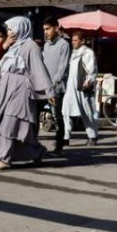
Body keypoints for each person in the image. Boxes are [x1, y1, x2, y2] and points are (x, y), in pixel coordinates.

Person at [0, 16, 54, 170]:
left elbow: (39, 68)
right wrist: (3, 47)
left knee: (9, 125)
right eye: (9, 30)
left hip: (21, 90)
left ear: (21, 29)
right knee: (16, 127)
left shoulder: (30, 46)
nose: (10, 33)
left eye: (12, 29)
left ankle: (5, 159)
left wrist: (49, 91)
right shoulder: (11, 46)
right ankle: (36, 152)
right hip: (8, 91)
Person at [61, 30, 99, 146]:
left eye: (75, 40)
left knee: (86, 113)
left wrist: (88, 82)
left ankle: (92, 136)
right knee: (66, 111)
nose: (73, 42)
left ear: (82, 41)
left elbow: (92, 70)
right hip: (70, 87)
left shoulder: (88, 53)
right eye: (72, 40)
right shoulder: (72, 53)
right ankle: (66, 137)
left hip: (81, 87)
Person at [42, 16, 71, 154]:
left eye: (48, 29)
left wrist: (52, 83)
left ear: (56, 28)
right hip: (43, 86)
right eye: (44, 29)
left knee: (57, 116)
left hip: (56, 88)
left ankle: (59, 146)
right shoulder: (46, 45)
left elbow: (62, 68)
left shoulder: (64, 44)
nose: (45, 32)